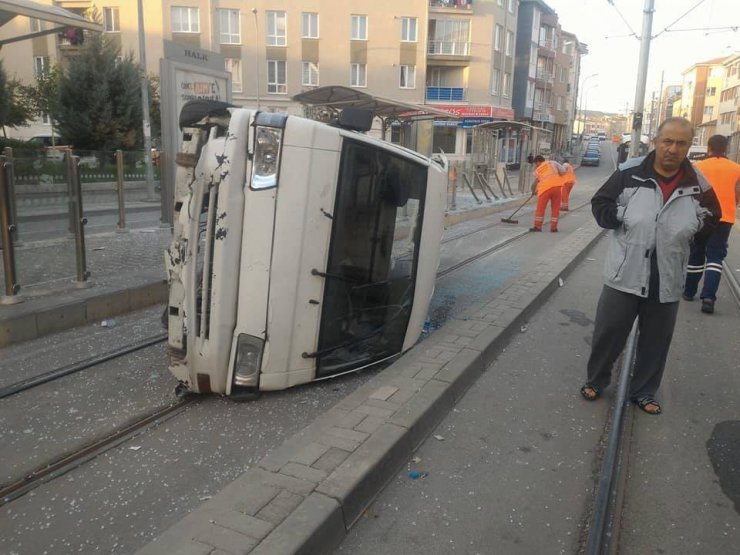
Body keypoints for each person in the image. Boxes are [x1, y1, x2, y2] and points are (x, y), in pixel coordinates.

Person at [580, 117, 720, 415]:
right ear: (655, 141)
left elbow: (713, 217)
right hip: (625, 272)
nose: (672, 148)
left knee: (656, 341)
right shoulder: (629, 173)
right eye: (667, 141)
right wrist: (623, 215)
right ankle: (597, 379)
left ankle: (644, 391)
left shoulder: (698, 183)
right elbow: (600, 204)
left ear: (688, 148)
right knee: (609, 333)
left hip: (666, 276)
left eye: (681, 143)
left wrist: (691, 231)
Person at [683, 134, 740, 314]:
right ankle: (708, 298)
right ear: (725, 148)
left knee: (697, 252)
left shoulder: (698, 167)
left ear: (708, 147)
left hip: (702, 217)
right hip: (725, 218)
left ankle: (689, 291)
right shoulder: (736, 168)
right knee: (715, 256)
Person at [530, 155, 566, 232]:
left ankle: (537, 227)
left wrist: (533, 191)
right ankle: (554, 228)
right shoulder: (552, 163)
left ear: (538, 161)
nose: (536, 165)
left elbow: (535, 182)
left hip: (545, 189)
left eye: (536, 163)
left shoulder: (538, 169)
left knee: (540, 208)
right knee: (555, 208)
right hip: (557, 187)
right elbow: (563, 171)